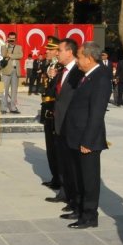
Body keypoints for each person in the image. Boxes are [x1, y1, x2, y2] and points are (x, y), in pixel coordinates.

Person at [62, 42, 111, 229]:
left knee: (89, 179)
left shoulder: (100, 78)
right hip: (76, 136)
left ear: (89, 58)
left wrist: (88, 141)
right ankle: (80, 209)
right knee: (79, 176)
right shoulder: (87, 76)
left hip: (87, 139)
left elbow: (97, 113)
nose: (77, 60)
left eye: (80, 57)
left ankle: (90, 215)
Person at [53, 39, 84, 215]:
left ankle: (75, 199)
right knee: (63, 161)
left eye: (59, 50)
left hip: (70, 124)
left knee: (73, 165)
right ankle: (65, 193)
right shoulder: (61, 70)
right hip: (59, 122)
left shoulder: (78, 72)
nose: (57, 53)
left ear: (70, 52)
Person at [39, 37, 60, 189]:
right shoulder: (49, 65)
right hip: (47, 111)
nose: (47, 51)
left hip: (54, 112)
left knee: (56, 148)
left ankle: (60, 179)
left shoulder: (59, 68)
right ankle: (55, 177)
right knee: (50, 148)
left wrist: (55, 76)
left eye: (50, 49)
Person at [0, 31, 23, 113]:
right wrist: (6, 46)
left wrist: (10, 55)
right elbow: (3, 55)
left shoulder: (19, 47)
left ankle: (13, 107)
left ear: (15, 39)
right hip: (6, 70)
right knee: (4, 90)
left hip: (15, 70)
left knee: (14, 90)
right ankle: (3, 107)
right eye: (10, 38)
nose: (12, 40)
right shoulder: (4, 47)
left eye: (13, 38)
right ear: (8, 38)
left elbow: (20, 55)